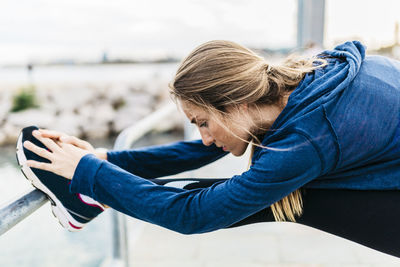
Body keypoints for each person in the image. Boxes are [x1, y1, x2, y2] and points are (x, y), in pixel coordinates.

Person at [21, 40, 400, 258]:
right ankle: (93, 197)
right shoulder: (318, 76)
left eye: (202, 120)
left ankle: (89, 196)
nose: (203, 135)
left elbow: (194, 216)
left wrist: (88, 172)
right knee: (263, 194)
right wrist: (110, 162)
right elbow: (221, 144)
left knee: (291, 200)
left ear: (236, 102)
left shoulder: (309, 139)